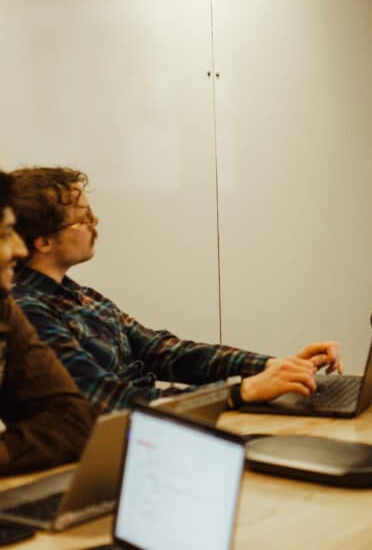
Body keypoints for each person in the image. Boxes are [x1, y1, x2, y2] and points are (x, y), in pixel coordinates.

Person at [10, 167, 343, 414]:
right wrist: (240, 392)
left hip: (148, 430)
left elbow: (162, 351)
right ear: (44, 241)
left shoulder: (81, 296)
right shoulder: (29, 311)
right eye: (83, 219)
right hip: (111, 447)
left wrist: (268, 366)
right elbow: (112, 403)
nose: (95, 225)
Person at [0, 170, 95, 474]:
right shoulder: (28, 304)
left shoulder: (4, 309)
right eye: (4, 234)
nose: (18, 249)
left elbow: (74, 421)